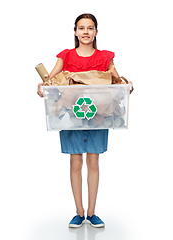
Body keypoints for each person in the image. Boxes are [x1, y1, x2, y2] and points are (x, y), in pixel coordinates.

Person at [37, 13, 133, 228]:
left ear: (96, 32)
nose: (86, 32)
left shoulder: (105, 57)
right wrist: (41, 86)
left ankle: (92, 213)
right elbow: (51, 81)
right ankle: (79, 213)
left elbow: (116, 80)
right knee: (75, 162)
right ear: (75, 31)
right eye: (81, 28)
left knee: (93, 162)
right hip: (70, 117)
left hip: (98, 116)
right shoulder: (66, 56)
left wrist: (127, 84)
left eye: (90, 28)